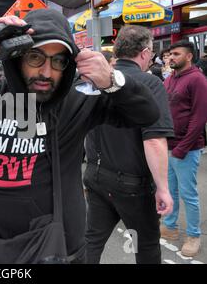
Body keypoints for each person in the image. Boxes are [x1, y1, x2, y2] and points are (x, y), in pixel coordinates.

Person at [0, 9, 160, 263]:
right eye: (35, 57)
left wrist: (112, 80)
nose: (46, 72)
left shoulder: (79, 101)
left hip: (61, 251)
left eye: (58, 61)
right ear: (17, 57)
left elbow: (147, 114)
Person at [84, 25, 174, 264]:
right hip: (132, 184)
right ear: (145, 53)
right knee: (145, 247)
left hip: (96, 175)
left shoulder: (98, 81)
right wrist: (163, 187)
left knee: (91, 241)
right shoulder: (150, 83)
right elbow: (154, 140)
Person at [160, 40, 207, 257]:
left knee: (188, 194)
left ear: (189, 56)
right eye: (170, 54)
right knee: (170, 190)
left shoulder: (197, 79)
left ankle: (193, 235)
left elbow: (199, 119)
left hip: (186, 149)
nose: (171, 58)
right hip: (167, 145)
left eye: (176, 54)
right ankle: (170, 226)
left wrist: (182, 148)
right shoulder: (170, 79)